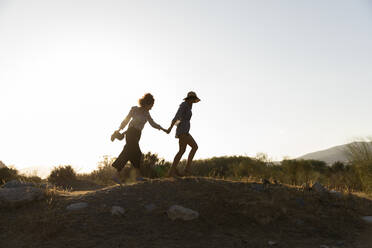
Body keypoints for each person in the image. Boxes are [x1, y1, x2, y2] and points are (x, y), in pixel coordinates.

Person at [111, 93, 167, 185]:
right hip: (131, 132)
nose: (152, 107)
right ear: (147, 103)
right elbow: (126, 119)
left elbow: (153, 123)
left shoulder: (147, 113)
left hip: (138, 135)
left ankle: (116, 175)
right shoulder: (135, 109)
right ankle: (137, 176)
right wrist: (120, 128)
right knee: (137, 153)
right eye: (151, 105)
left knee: (128, 153)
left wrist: (163, 129)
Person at [166, 91, 200, 177]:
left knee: (182, 151)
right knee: (194, 147)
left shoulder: (188, 107)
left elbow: (180, 119)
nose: (193, 101)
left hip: (183, 131)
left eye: (194, 99)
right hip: (183, 131)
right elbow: (177, 116)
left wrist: (176, 128)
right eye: (193, 99)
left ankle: (171, 172)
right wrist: (171, 127)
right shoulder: (184, 105)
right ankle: (186, 170)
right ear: (190, 99)